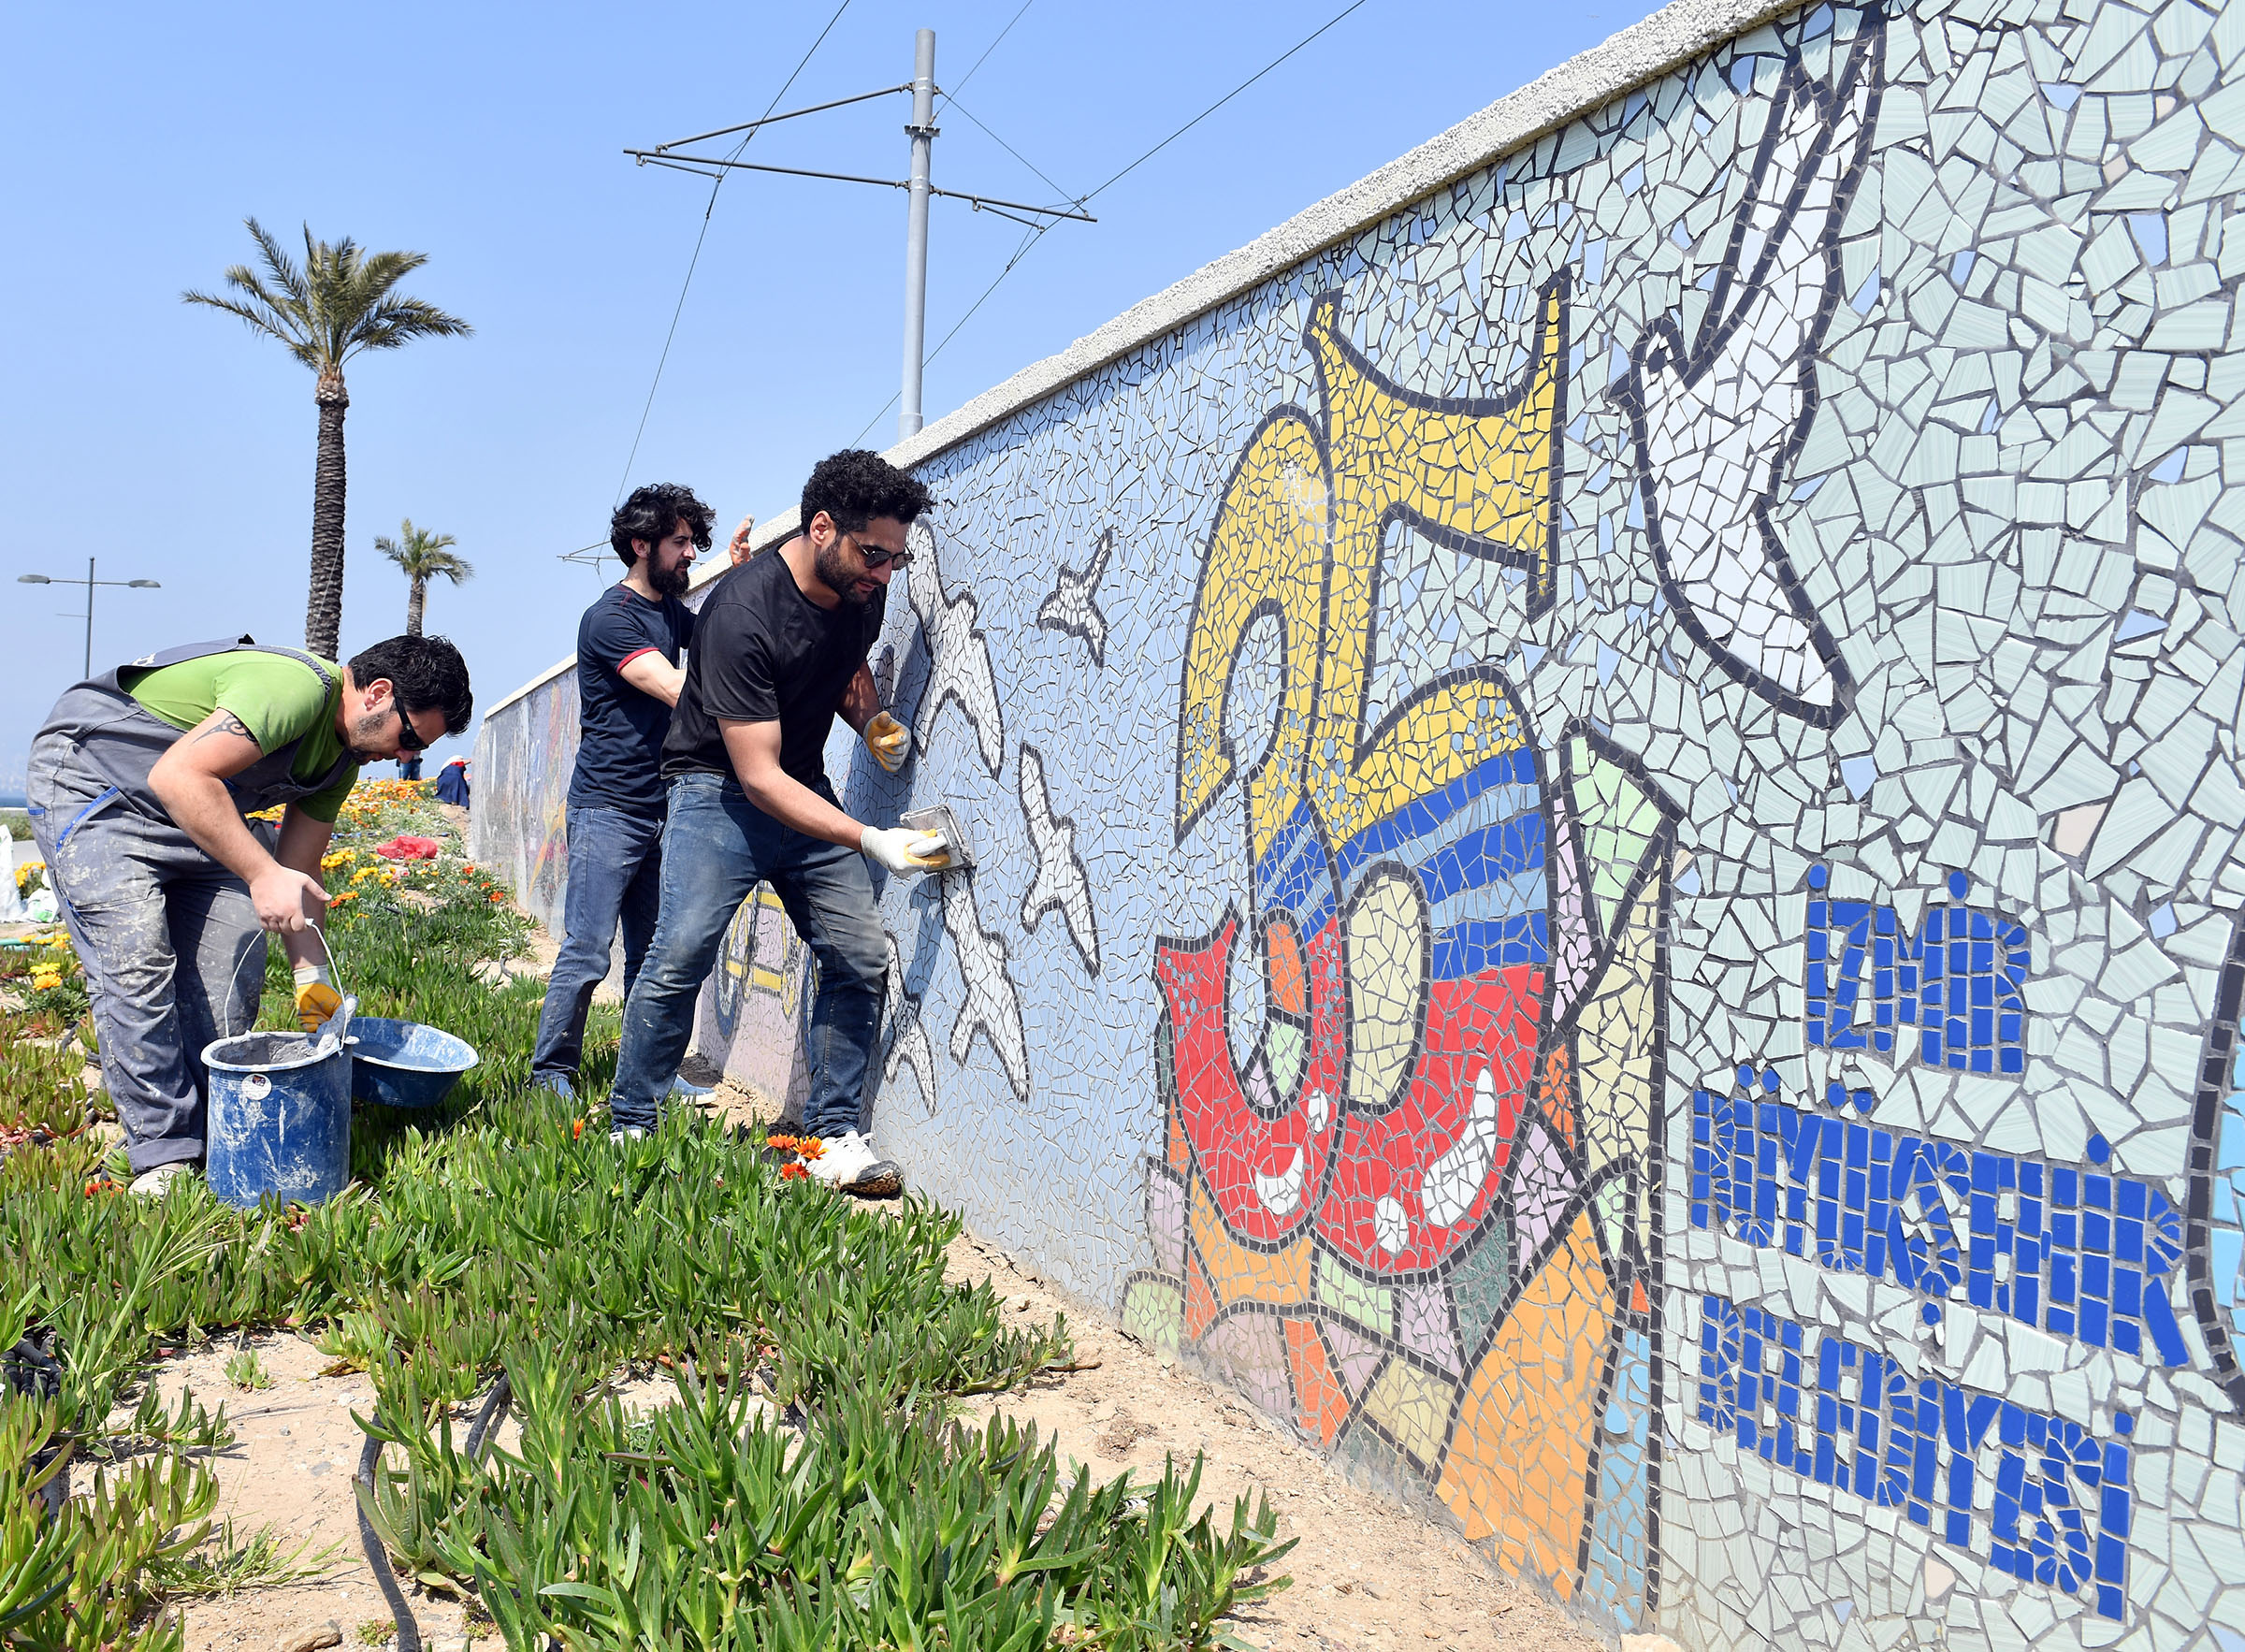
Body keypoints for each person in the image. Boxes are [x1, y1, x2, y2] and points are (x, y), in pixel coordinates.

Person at [606, 450, 946, 1193]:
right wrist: (871, 838)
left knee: (859, 954)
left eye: (897, 559)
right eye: (874, 554)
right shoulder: (741, 613)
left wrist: (872, 722)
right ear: (821, 528)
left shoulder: (860, 592)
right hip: (718, 789)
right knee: (681, 953)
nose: (886, 574)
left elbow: (841, 667)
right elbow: (758, 777)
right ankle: (631, 1125)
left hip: (801, 785)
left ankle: (829, 1138)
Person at [25, 633, 471, 1195]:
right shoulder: (293, 689)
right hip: (99, 792)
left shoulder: (340, 764)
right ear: (378, 693)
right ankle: (163, 1152)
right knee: (136, 962)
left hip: (197, 816)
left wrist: (316, 993)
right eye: (408, 738)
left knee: (225, 987)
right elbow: (177, 776)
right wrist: (261, 874)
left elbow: (300, 873)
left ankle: (212, 1134)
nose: (406, 758)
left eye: (417, 751)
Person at [529, 485, 716, 1105]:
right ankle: (550, 1075)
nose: (691, 553)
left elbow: (718, 639)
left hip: (663, 808)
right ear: (641, 544)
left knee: (652, 956)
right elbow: (675, 688)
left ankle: (647, 1076)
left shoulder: (671, 613)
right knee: (587, 951)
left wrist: (744, 578)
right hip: (607, 808)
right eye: (680, 542)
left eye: (694, 541)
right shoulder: (611, 618)